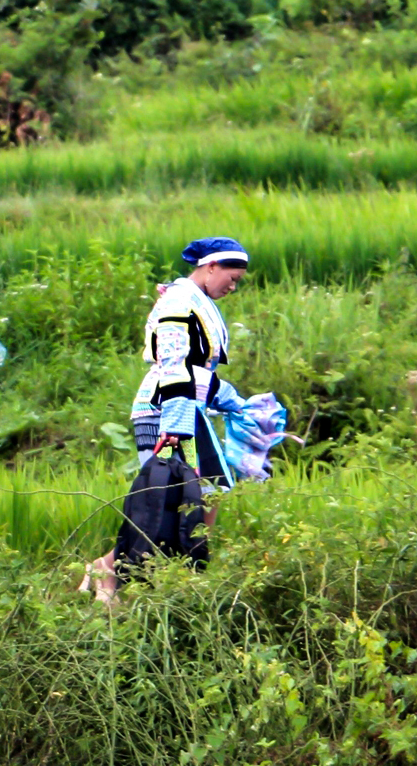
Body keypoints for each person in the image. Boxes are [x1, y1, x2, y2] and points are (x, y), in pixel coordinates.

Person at [88, 236, 291, 599]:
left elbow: (197, 372)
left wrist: (237, 404)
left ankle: (175, 579)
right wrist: (176, 428)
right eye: (231, 277)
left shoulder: (191, 300)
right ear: (210, 266)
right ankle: (123, 574)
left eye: (238, 280)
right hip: (167, 411)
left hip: (185, 410)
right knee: (176, 500)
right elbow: (175, 364)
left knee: (209, 495)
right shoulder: (179, 302)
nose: (232, 285)